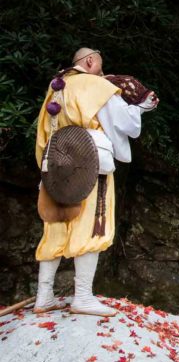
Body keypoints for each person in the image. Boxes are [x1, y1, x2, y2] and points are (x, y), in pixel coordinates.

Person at [32, 48, 158, 317]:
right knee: (91, 224)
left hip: (56, 163)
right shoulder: (94, 85)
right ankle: (83, 297)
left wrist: (47, 171)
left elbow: (42, 135)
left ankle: (44, 296)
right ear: (90, 61)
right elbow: (125, 124)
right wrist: (141, 108)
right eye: (100, 64)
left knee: (55, 223)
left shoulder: (56, 88)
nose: (103, 70)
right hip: (87, 162)